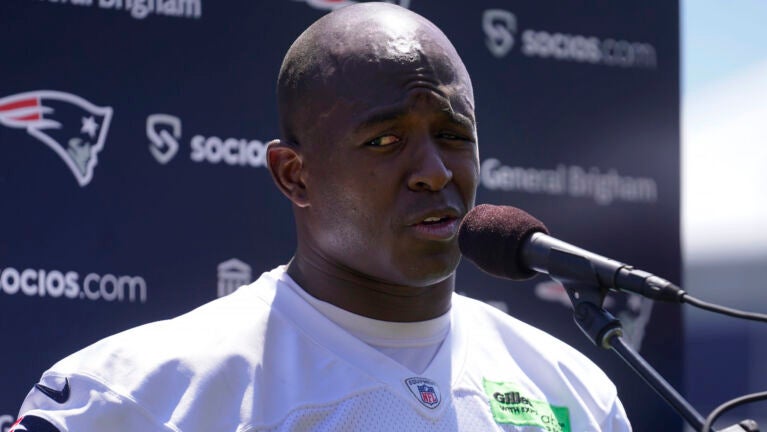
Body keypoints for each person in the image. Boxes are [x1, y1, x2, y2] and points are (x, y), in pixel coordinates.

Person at [13, 3, 631, 431]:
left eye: (452, 134)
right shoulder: (143, 396)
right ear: (294, 175)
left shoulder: (570, 388)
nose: (435, 171)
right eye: (385, 141)